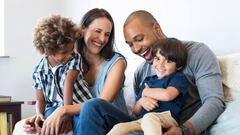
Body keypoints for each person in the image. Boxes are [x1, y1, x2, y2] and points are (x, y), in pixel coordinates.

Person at [79, 10, 225, 135]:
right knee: (92, 106)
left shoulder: (197, 53)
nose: (135, 49)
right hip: (141, 126)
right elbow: (137, 114)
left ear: (156, 28)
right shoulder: (141, 72)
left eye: (139, 39)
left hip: (174, 126)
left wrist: (184, 130)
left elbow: (214, 101)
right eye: (130, 45)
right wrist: (141, 101)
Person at [15, 8, 128, 135]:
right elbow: (52, 96)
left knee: (90, 107)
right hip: (83, 118)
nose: (102, 39)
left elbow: (99, 105)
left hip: (111, 120)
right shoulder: (68, 59)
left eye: (107, 34)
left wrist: (64, 110)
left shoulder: (116, 63)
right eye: (98, 31)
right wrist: (40, 116)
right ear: (83, 29)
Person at [107, 38, 189, 135]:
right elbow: (136, 112)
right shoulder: (148, 81)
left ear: (178, 66)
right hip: (143, 120)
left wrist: (146, 92)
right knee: (119, 127)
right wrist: (141, 101)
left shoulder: (177, 77)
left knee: (149, 118)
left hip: (166, 118)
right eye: (157, 58)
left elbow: (168, 95)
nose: (160, 64)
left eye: (168, 61)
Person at [31, 14, 92, 133]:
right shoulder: (39, 70)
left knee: (80, 123)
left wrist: (67, 114)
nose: (69, 55)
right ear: (49, 50)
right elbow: (40, 99)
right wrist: (39, 114)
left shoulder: (74, 58)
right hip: (54, 107)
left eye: (71, 50)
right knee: (45, 126)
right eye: (64, 52)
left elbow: (68, 83)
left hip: (77, 105)